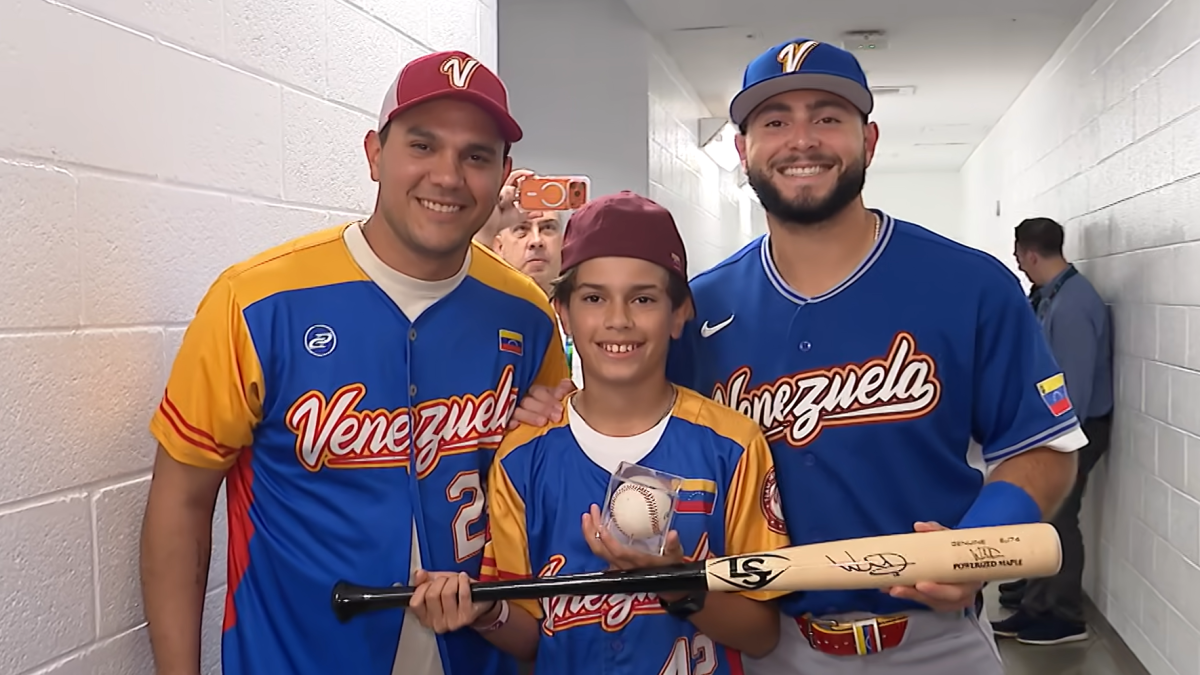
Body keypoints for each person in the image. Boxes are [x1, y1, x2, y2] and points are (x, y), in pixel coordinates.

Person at [511, 38, 1084, 675]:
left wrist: (976, 548)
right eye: (775, 121)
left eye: (827, 117)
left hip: (936, 641)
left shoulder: (969, 284)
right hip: (768, 643)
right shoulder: (700, 309)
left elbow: (1043, 448)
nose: (802, 140)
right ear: (743, 150)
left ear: (868, 141)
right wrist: (563, 406)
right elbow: (642, 420)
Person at [139, 50, 569, 675]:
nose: (447, 176)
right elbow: (180, 502)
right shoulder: (256, 300)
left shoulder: (528, 314)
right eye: (422, 145)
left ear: (502, 174)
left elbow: (549, 496)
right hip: (296, 657)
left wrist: (563, 431)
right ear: (374, 154)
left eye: (475, 155)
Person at [405, 191, 791, 673]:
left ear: (679, 314)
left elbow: (761, 634)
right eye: (593, 298)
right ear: (563, 313)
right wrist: (486, 611)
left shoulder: (734, 446)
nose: (618, 320)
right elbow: (529, 638)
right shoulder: (524, 456)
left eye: (644, 298)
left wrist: (679, 584)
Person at [992, 217, 1113, 645]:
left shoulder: (1074, 305)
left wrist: (1051, 444)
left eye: (1018, 256)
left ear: (1029, 253)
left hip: (1074, 431)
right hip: (1055, 429)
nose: (1019, 264)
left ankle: (1062, 616)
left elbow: (1073, 391)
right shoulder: (1051, 297)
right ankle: (1035, 601)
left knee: (1059, 519)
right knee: (1041, 515)